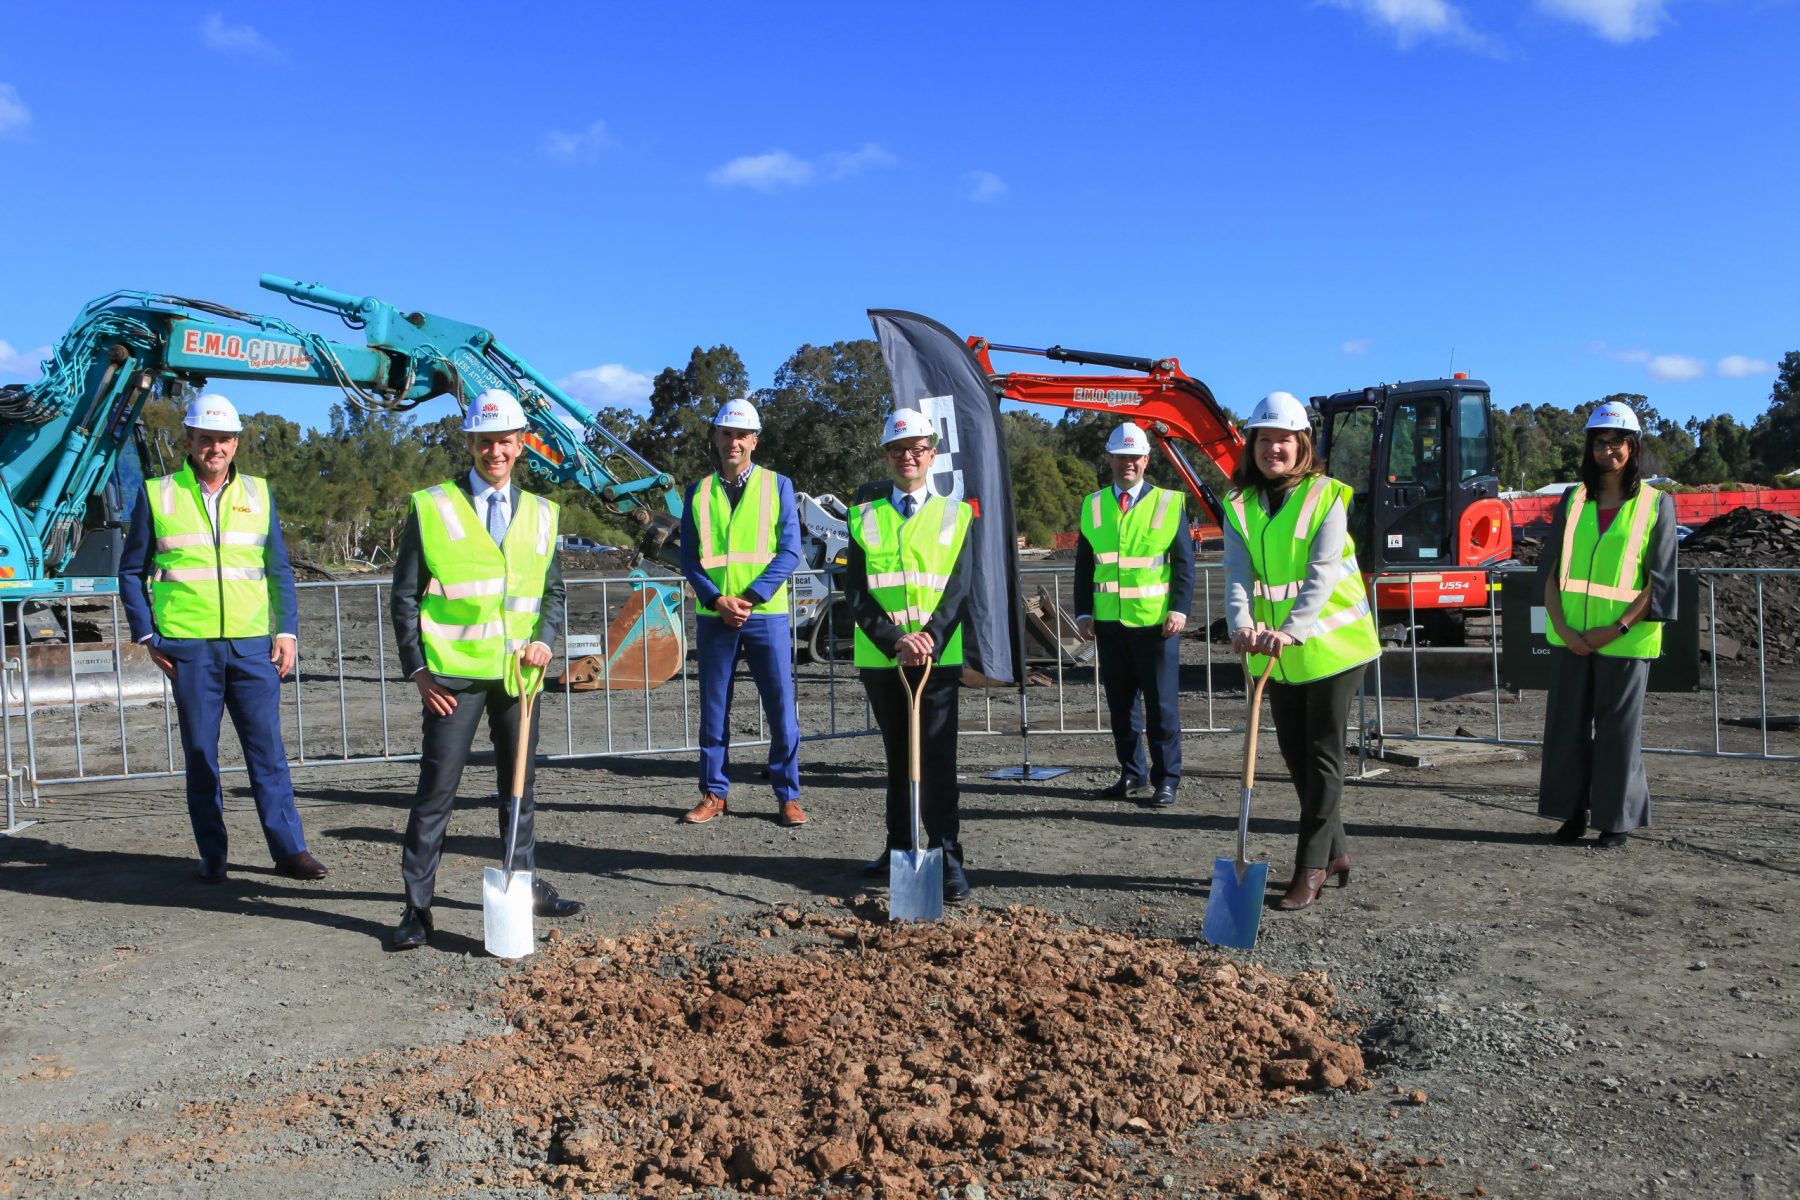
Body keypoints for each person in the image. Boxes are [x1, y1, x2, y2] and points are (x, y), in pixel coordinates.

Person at [387, 389, 583, 951]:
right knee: (435, 793)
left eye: (504, 441)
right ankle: (417, 910)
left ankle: (522, 886)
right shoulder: (431, 505)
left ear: (521, 445)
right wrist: (418, 672)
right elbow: (404, 598)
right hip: (451, 678)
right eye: (484, 441)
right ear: (469, 443)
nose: (494, 451)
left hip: (519, 677)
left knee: (518, 791)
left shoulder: (544, 514)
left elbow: (554, 593)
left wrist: (546, 641)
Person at [119, 393, 325, 885]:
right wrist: (148, 633)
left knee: (268, 753)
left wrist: (287, 629)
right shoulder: (158, 494)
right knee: (200, 756)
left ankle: (290, 850)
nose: (215, 447)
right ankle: (213, 854)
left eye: (224, 439)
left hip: (253, 646)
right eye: (206, 438)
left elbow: (278, 569)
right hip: (189, 650)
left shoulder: (258, 493)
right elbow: (131, 571)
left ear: (236, 443)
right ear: (189, 441)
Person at [1222, 391, 1381, 911]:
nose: (1274, 449)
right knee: (1294, 755)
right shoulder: (1239, 503)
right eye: (1265, 439)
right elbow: (1239, 574)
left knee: (1323, 759)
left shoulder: (1328, 496)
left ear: (1302, 444)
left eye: (1284, 440)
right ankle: (1335, 852)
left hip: (1334, 646)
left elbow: (1322, 573)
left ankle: (1309, 868)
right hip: (1278, 652)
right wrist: (1242, 624)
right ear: (1253, 445)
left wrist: (1291, 630)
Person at [843, 409, 975, 903]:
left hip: (937, 660)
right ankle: (899, 849)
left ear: (932, 455)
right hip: (883, 659)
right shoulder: (863, 517)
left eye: (918, 449)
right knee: (898, 758)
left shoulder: (955, 514)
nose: (909, 457)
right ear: (887, 456)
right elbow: (856, 591)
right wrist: (894, 640)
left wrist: (928, 639)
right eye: (899, 450)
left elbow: (959, 590)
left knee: (937, 761)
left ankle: (947, 858)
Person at [1537, 400, 1678, 849]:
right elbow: (1551, 570)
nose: (1608, 449)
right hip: (1571, 637)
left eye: (1617, 441)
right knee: (1566, 728)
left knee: (1618, 734)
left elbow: (1658, 581)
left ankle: (1615, 821)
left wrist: (1613, 629)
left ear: (1633, 447)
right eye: (1600, 441)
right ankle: (1571, 815)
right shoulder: (1573, 499)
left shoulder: (1657, 504)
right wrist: (1563, 629)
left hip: (1625, 639)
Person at [677, 397, 806, 827]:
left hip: (764, 615)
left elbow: (790, 551)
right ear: (716, 437)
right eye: (726, 433)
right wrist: (716, 600)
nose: (733, 442)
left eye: (741, 435)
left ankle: (788, 796)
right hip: (716, 617)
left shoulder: (778, 486)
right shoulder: (697, 492)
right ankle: (714, 793)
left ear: (754, 440)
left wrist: (750, 597)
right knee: (714, 710)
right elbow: (691, 559)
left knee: (780, 709)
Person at [1073, 422, 1196, 807]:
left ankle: (1166, 779)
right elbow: (1084, 565)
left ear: (1146, 459)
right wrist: (1082, 613)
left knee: (1162, 709)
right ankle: (1132, 774)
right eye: (1120, 456)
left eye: (1134, 456)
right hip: (1109, 625)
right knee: (1122, 710)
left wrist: (1179, 608)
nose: (1128, 463)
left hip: (1156, 624)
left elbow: (1183, 564)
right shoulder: (1093, 505)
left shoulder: (1169, 502)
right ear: (1110, 459)